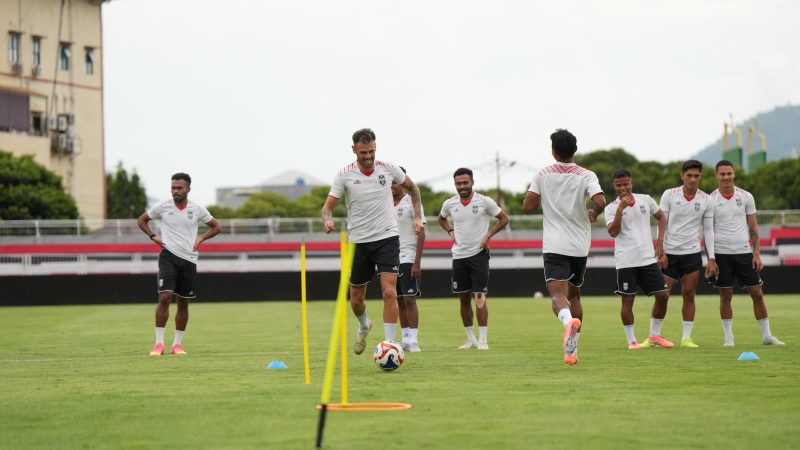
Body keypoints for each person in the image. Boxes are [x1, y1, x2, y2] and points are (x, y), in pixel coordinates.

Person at [322, 128, 424, 355]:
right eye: (363, 152)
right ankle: (364, 324)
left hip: (387, 237)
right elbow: (327, 207)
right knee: (356, 299)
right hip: (358, 242)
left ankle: (389, 346)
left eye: (371, 151)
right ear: (354, 150)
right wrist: (327, 219)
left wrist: (417, 216)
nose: (368, 157)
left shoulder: (388, 169)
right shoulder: (344, 175)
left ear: (376, 148)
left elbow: (414, 189)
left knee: (389, 292)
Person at [523, 129, 605, 365]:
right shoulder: (586, 174)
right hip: (580, 244)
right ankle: (572, 349)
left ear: (553, 151)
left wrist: (542, 197)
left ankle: (567, 321)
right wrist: (594, 212)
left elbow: (528, 206)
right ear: (575, 150)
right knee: (575, 294)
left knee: (558, 295)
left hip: (555, 244)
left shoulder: (543, 173)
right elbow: (600, 201)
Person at [137, 173, 221, 356]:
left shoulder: (197, 209)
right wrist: (153, 237)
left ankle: (177, 345)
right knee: (165, 297)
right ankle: (158, 344)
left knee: (183, 302)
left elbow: (217, 226)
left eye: (179, 188)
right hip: (167, 257)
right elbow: (141, 220)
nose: (175, 191)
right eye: (173, 187)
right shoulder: (162, 207)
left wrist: (201, 238)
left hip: (189, 260)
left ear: (188, 189)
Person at [709, 160, 784, 347]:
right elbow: (707, 231)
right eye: (722, 174)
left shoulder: (746, 196)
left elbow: (753, 227)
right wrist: (711, 259)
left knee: (757, 293)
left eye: (729, 173)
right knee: (725, 295)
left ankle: (767, 336)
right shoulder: (710, 200)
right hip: (721, 254)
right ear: (716, 176)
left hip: (743, 253)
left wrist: (756, 253)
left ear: (734, 174)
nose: (726, 177)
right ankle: (729, 339)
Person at [438, 168, 509, 350]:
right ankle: (471, 339)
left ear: (472, 182)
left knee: (479, 297)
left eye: (465, 183)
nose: (462, 186)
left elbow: (503, 218)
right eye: (458, 183)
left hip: (478, 255)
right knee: (463, 299)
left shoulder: (484, 201)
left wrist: (488, 236)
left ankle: (483, 341)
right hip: (459, 256)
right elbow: (441, 219)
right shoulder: (450, 203)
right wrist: (450, 231)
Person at [605, 169, 672, 350]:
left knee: (663, 295)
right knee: (627, 301)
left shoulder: (645, 199)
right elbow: (613, 232)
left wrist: (660, 242)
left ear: (631, 183)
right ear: (614, 186)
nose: (623, 188)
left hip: (647, 259)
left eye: (626, 184)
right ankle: (632, 341)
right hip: (626, 261)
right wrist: (620, 209)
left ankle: (654, 336)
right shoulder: (611, 208)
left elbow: (661, 217)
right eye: (618, 185)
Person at [658, 160, 717, 348]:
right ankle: (654, 335)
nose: (693, 179)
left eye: (696, 176)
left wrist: (712, 258)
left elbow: (708, 230)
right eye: (689, 175)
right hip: (670, 254)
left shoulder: (707, 200)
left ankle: (686, 338)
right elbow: (662, 223)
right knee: (662, 295)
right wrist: (661, 249)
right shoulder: (669, 195)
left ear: (700, 177)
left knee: (689, 295)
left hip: (692, 253)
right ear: (682, 176)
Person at [392, 166, 426, 352]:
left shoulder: (413, 202)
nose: (392, 186)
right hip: (391, 257)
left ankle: (414, 340)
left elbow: (421, 233)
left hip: (408, 255)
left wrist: (417, 262)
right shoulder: (385, 203)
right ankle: (405, 339)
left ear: (403, 182)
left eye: (395, 182)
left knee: (409, 299)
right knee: (398, 299)